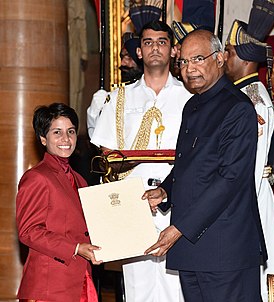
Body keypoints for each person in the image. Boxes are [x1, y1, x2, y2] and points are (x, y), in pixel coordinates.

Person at [143, 29, 267, 302]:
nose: (190, 69)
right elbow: (191, 165)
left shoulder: (238, 108)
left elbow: (230, 179)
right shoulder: (192, 106)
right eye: (184, 62)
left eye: (198, 59)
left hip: (225, 249)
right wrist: (165, 191)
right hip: (193, 248)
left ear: (221, 58)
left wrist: (179, 228)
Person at [91, 20, 192, 302]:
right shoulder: (120, 98)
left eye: (162, 42)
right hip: (134, 203)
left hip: (179, 200)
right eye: (148, 42)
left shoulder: (190, 97)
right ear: (138, 52)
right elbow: (107, 155)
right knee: (138, 289)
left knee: (178, 287)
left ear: (173, 50)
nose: (155, 48)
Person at [224, 1, 274, 301]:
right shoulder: (243, 94)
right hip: (249, 196)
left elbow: (251, 161)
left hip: (250, 197)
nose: (224, 58)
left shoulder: (253, 99)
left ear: (245, 59)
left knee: (255, 281)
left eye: (230, 52)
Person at [16, 103, 102, 302]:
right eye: (57, 132)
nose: (66, 139)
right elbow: (29, 231)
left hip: (81, 277)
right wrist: (75, 248)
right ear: (43, 139)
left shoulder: (79, 180)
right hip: (50, 286)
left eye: (71, 131)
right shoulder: (37, 177)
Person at [87, 33, 143, 139]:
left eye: (129, 57)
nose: (123, 63)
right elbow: (99, 138)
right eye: (122, 57)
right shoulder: (114, 96)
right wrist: (95, 113)